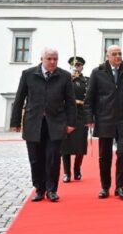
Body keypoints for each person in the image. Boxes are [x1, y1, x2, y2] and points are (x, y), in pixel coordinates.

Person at [10, 47, 76, 202]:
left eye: (55, 59)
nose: (52, 62)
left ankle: (52, 190)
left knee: (53, 158)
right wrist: (15, 122)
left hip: (56, 124)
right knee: (35, 158)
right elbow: (19, 99)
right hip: (34, 123)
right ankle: (39, 189)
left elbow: (71, 102)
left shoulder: (64, 76)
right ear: (42, 59)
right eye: (49, 59)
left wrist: (71, 122)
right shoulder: (28, 75)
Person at [85, 45, 123, 200]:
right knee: (104, 156)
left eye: (120, 53)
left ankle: (120, 186)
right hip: (105, 119)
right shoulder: (98, 73)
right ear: (107, 56)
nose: (118, 56)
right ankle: (105, 187)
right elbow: (89, 99)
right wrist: (89, 118)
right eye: (114, 54)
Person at [61, 57, 90, 182]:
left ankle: (77, 169)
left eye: (78, 65)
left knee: (80, 147)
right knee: (65, 146)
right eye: (73, 65)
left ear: (82, 67)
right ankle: (67, 173)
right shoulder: (65, 80)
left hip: (81, 115)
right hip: (67, 115)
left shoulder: (87, 81)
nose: (76, 67)